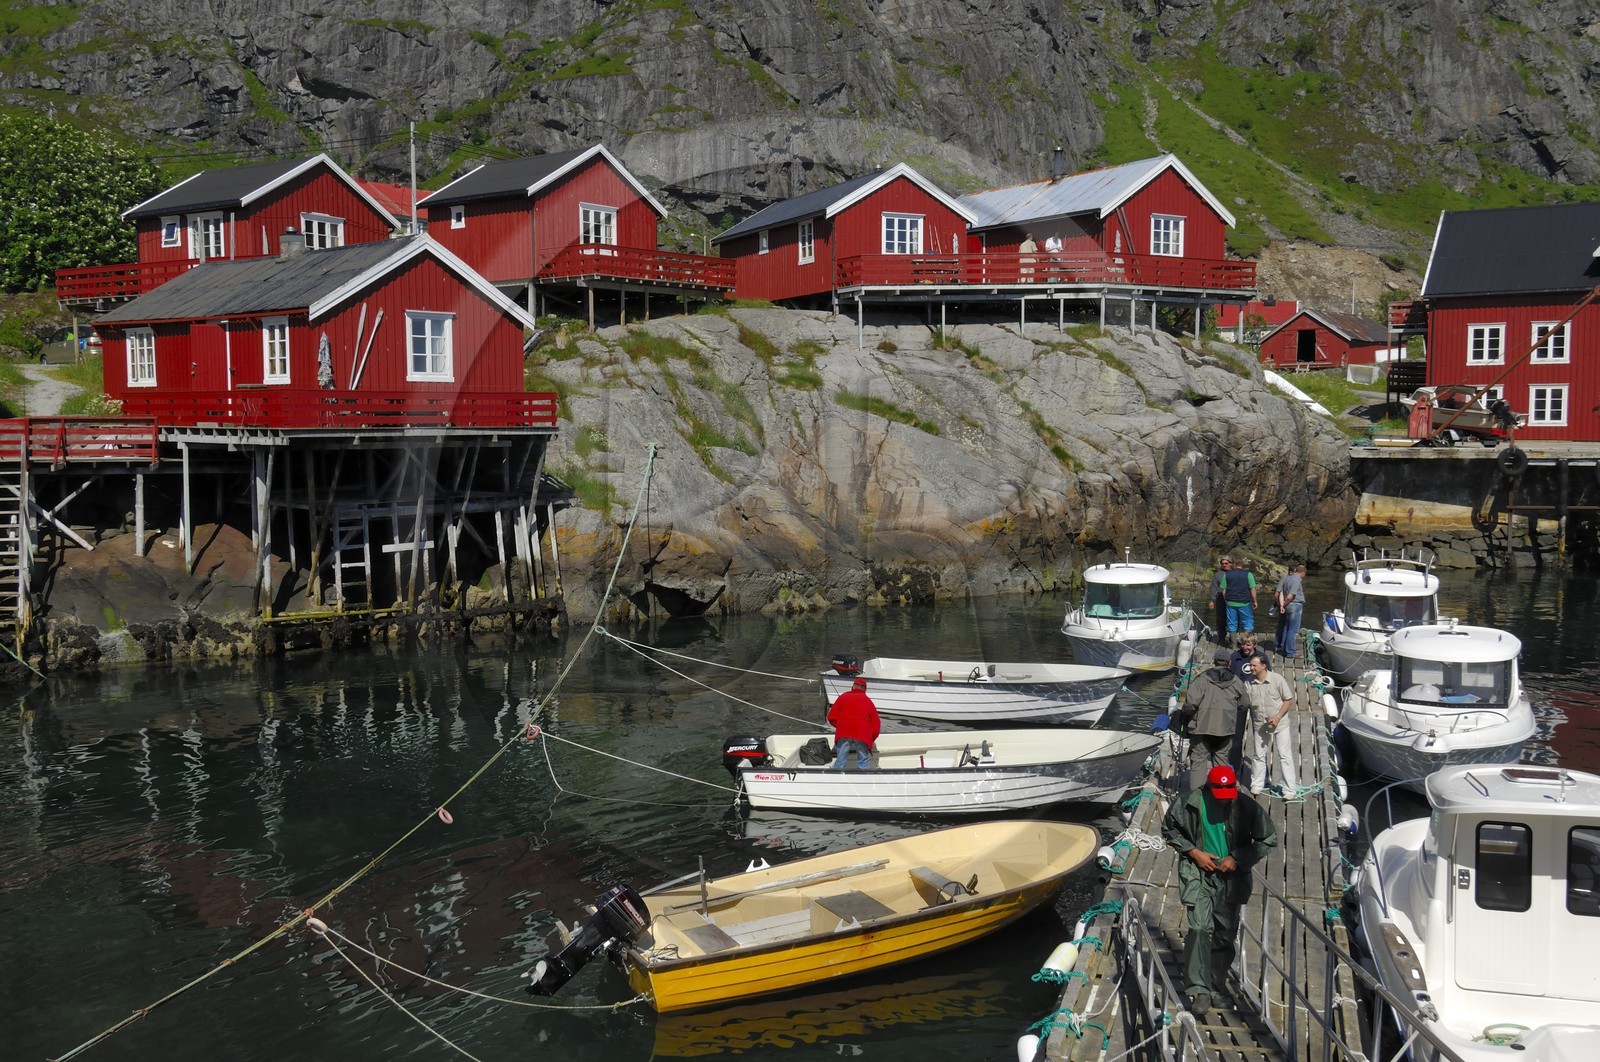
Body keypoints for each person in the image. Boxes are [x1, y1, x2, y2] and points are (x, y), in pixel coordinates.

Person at [1162, 764, 1278, 1016]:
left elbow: (1268, 838)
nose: (1225, 800)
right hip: (1198, 874)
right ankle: (1199, 989)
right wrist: (1194, 853)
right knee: (1200, 928)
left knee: (1224, 933)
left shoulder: (1247, 807)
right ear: (1209, 787)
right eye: (1219, 794)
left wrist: (1237, 857)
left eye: (1230, 793)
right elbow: (1169, 829)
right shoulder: (1188, 803)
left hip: (1231, 878)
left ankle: (1216, 986)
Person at [1178, 648, 1251, 789]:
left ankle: (1197, 798)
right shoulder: (1236, 681)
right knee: (1221, 762)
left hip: (1201, 729)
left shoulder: (1202, 679)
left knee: (1198, 762)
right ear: (1229, 663)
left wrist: (1188, 715)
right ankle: (1220, 796)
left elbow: (1190, 704)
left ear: (1214, 662)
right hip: (1225, 730)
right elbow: (1245, 704)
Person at [1243, 652, 1298, 795]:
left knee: (1285, 755)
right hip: (1259, 724)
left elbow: (1288, 699)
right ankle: (1257, 785)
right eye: (1250, 665)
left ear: (1263, 666)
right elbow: (1243, 702)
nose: (1251, 668)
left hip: (1280, 724)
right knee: (1258, 755)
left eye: (1254, 665)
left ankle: (1289, 789)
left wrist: (1278, 716)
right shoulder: (1248, 683)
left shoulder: (1277, 679)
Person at [827, 676, 880, 770]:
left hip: (844, 732)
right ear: (865, 689)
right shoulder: (868, 701)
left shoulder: (843, 697)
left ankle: (837, 780)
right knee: (863, 761)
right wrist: (871, 737)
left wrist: (840, 726)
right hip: (862, 734)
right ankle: (862, 781)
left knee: (840, 762)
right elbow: (876, 724)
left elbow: (831, 717)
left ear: (852, 687)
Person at [1216, 556, 1258, 643]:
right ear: (1241, 565)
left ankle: (1234, 646)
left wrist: (1226, 600)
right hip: (1245, 602)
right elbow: (1252, 589)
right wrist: (1255, 601)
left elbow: (1224, 589)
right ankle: (1248, 642)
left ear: (1234, 564)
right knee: (1247, 623)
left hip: (1231, 602)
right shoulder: (1248, 574)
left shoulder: (1227, 574)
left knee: (1232, 624)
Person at [1275, 563, 1305, 660]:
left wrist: (1282, 605)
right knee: (1293, 630)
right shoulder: (1296, 580)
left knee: (1286, 628)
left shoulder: (1287, 578)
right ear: (1302, 572)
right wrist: (1286, 602)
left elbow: (1281, 593)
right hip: (1295, 605)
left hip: (1287, 606)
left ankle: (1284, 649)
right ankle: (1290, 652)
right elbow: (1290, 596)